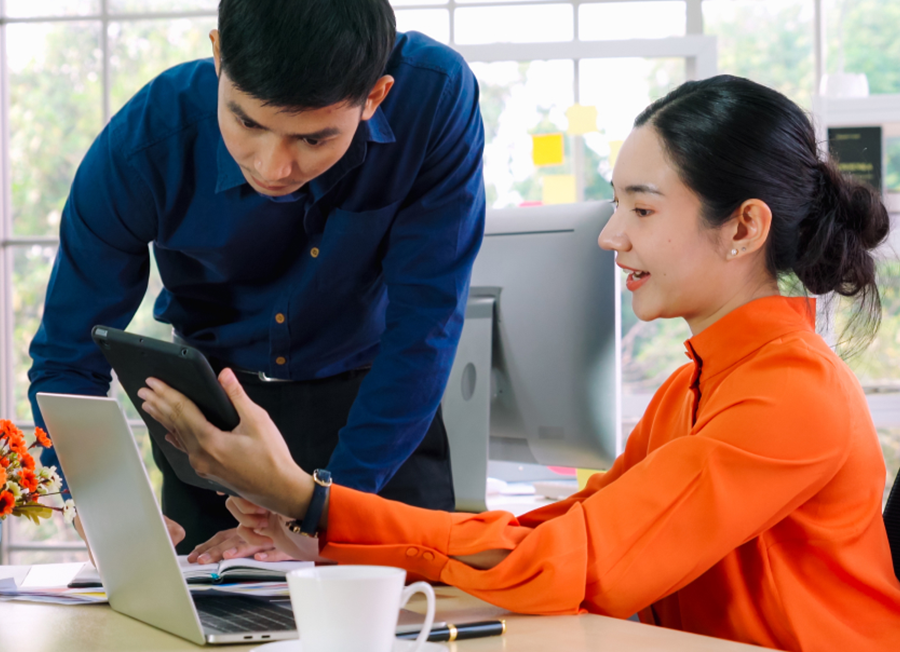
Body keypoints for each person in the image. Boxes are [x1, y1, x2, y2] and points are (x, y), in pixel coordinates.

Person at [139, 74, 900, 650]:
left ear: (743, 227)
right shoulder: (691, 390)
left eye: (641, 209)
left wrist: (310, 497)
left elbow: (579, 563)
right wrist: (317, 523)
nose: (611, 237)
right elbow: (555, 529)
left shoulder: (790, 394)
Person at [27, 0, 485, 558]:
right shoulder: (145, 144)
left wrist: (324, 512)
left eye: (314, 138)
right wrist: (98, 504)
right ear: (219, 56)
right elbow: (67, 361)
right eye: (247, 122)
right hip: (211, 431)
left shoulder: (433, 100)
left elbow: (425, 325)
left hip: (378, 417)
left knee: (410, 633)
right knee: (208, 633)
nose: (272, 167)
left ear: (375, 97)